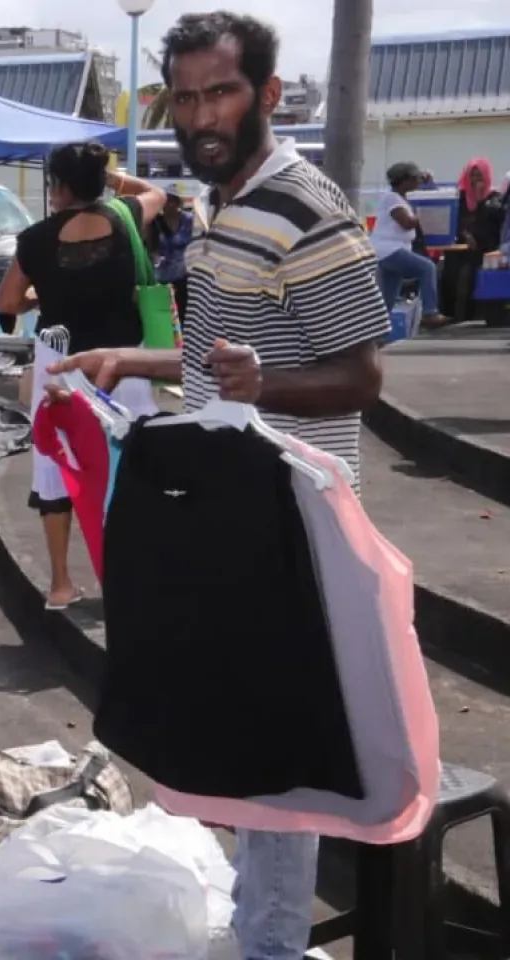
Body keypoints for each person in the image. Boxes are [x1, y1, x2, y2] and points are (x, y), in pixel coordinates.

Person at [51, 14, 389, 959]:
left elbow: (361, 376)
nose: (202, 115)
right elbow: (224, 357)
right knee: (239, 745)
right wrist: (136, 355)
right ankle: (259, 932)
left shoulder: (303, 203)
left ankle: (272, 948)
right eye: (188, 97)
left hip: (295, 522)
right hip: (232, 518)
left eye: (222, 93)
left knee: (275, 766)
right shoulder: (223, 208)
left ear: (270, 95)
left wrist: (261, 386)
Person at [0, 141, 165, 611]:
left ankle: (60, 584)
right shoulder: (127, 213)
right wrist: (109, 180)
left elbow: (8, 303)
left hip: (61, 368)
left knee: (55, 474)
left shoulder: (35, 239)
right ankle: (126, 581)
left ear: (59, 186)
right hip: (125, 364)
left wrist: (41, 297)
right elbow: (158, 193)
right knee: (125, 472)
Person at [371, 161, 447, 328]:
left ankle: (378, 333)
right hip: (390, 250)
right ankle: (430, 312)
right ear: (404, 181)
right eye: (415, 179)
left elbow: (429, 195)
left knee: (388, 298)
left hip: (388, 251)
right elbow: (406, 222)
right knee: (427, 267)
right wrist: (423, 215)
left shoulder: (400, 198)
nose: (417, 182)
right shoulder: (392, 198)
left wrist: (428, 185)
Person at [451, 158, 504, 323]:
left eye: (479, 175)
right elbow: (456, 220)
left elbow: (495, 219)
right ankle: (456, 315)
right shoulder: (460, 198)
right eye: (472, 175)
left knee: (479, 274)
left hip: (488, 247)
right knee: (452, 274)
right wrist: (467, 235)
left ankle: (482, 313)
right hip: (464, 245)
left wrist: (481, 201)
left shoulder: (495, 198)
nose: (475, 180)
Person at [151, 191, 197, 323]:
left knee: (185, 316)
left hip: (186, 276)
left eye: (171, 201)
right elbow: (151, 247)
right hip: (163, 277)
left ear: (178, 202)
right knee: (167, 319)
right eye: (165, 201)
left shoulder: (189, 220)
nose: (167, 205)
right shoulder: (156, 222)